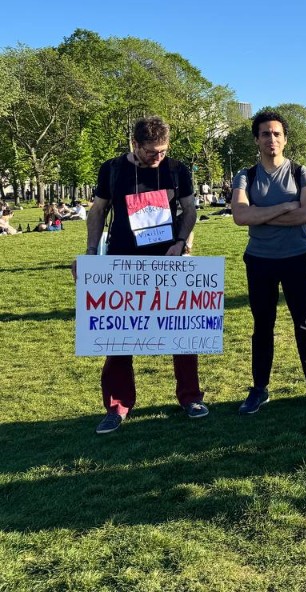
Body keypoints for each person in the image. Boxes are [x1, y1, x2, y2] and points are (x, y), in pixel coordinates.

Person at [71, 116, 206, 434]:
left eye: (161, 150)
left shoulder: (176, 170)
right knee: (118, 335)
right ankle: (117, 405)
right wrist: (91, 254)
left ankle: (190, 397)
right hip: (122, 259)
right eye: (150, 151)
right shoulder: (113, 169)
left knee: (182, 330)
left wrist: (182, 244)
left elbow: (189, 210)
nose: (156, 157)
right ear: (134, 144)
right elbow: (98, 211)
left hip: (167, 259)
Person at [232, 109, 306, 413]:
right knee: (262, 326)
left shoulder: (303, 172)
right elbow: (240, 215)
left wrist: (261, 215)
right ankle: (259, 389)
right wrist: (285, 207)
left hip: (296, 258)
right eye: (265, 133)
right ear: (257, 139)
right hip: (259, 260)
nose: (271, 139)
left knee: (305, 325)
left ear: (285, 139)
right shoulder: (245, 175)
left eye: (277, 133)